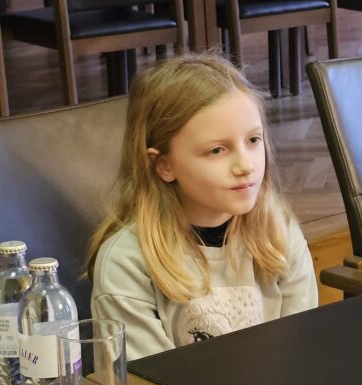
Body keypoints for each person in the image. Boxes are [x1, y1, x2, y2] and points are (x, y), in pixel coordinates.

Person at [89, 54, 317, 361]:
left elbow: (302, 349)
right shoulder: (126, 262)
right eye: (217, 150)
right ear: (164, 165)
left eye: (253, 140)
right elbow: (146, 381)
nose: (245, 165)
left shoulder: (278, 229)